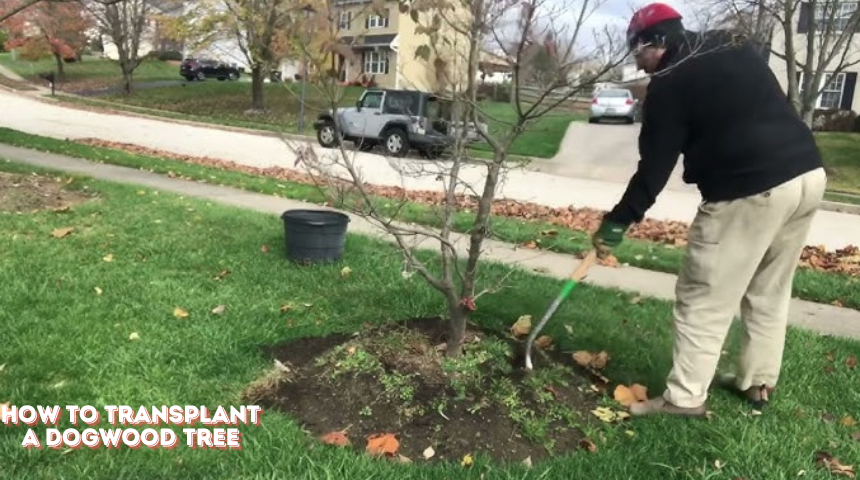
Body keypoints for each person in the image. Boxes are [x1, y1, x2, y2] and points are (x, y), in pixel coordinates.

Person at [591, 2, 827, 417]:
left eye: (638, 52)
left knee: (703, 296)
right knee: (769, 287)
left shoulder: (670, 80)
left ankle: (684, 399)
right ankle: (757, 382)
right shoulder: (731, 44)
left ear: (657, 42)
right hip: (807, 173)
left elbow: (655, 168)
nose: (639, 64)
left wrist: (619, 220)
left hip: (750, 187)